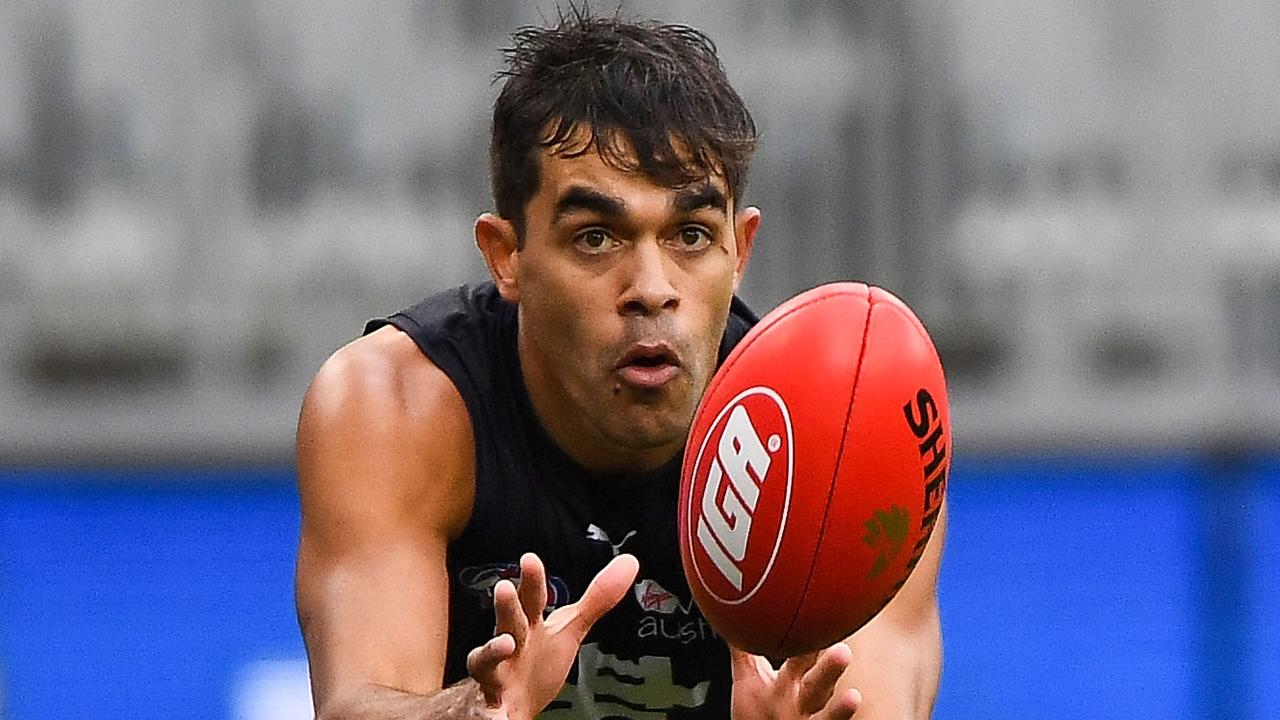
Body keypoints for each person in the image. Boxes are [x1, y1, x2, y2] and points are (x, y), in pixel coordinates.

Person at [294, 9, 946, 720]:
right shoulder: (397, 405)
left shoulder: (854, 445)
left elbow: (879, 698)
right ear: (506, 256)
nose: (652, 288)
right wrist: (474, 716)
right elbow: (355, 704)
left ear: (741, 248)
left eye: (691, 235)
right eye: (597, 237)